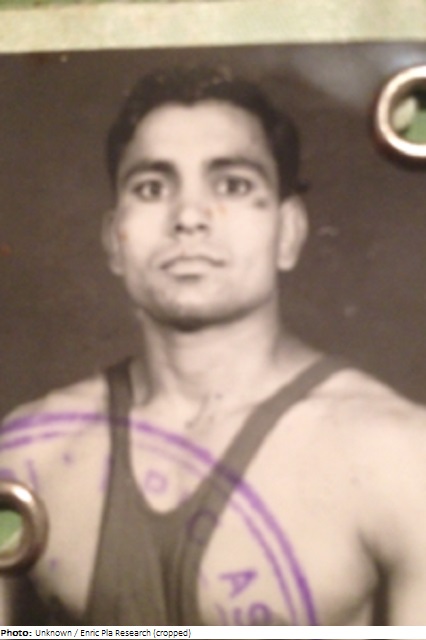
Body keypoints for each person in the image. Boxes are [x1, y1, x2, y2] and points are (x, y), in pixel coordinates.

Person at [2, 66, 426, 627]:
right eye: (152, 188)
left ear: (289, 232)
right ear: (113, 241)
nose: (189, 218)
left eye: (232, 185)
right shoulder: (28, 456)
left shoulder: (400, 457)